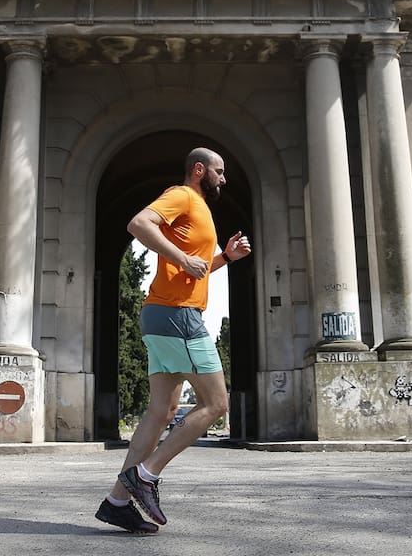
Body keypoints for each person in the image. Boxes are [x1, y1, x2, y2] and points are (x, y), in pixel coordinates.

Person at [94, 146, 251, 535]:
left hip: (164, 313)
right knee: (216, 403)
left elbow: (193, 271)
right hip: (177, 315)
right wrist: (182, 257)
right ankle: (146, 476)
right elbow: (138, 224)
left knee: (161, 411)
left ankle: (117, 502)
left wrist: (224, 259)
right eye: (219, 171)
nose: (224, 177)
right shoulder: (181, 195)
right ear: (199, 170)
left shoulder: (198, 207)